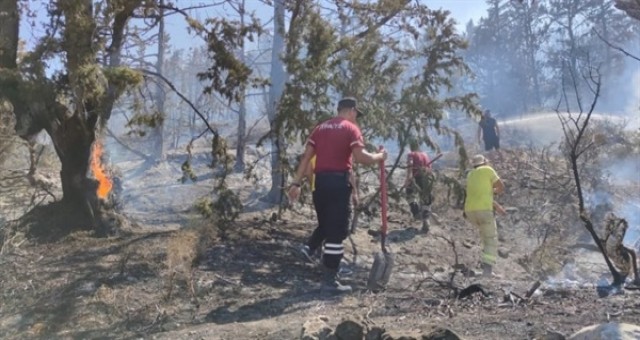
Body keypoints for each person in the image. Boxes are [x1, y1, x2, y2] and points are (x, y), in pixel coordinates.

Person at [288, 97, 387, 294]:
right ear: (351, 111)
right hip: (338, 184)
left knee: (326, 225)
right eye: (356, 115)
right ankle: (330, 281)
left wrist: (296, 183)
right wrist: (380, 157)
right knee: (337, 231)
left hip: (320, 184)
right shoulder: (350, 129)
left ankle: (310, 250)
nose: (356, 119)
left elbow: (306, 157)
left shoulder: (320, 128)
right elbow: (361, 158)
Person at [302, 155, 359, 265]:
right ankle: (330, 264)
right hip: (336, 191)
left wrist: (313, 186)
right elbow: (350, 173)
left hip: (318, 190)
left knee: (324, 224)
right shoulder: (342, 152)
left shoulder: (316, 153)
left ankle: (309, 248)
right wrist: (355, 192)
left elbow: (308, 171)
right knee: (336, 229)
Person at [464, 154, 505, 278]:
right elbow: (501, 187)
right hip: (483, 211)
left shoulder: (470, 174)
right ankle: (487, 272)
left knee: (485, 238)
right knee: (490, 240)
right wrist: (494, 191)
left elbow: (480, 195)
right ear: (485, 162)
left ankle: (484, 267)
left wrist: (496, 206)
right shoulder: (488, 170)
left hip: (470, 211)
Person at [403, 140, 435, 233]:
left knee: (409, 195)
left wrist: (408, 179)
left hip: (417, 177)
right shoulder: (425, 154)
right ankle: (426, 220)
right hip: (427, 179)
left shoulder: (411, 154)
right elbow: (430, 168)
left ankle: (416, 212)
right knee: (426, 200)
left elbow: (410, 166)